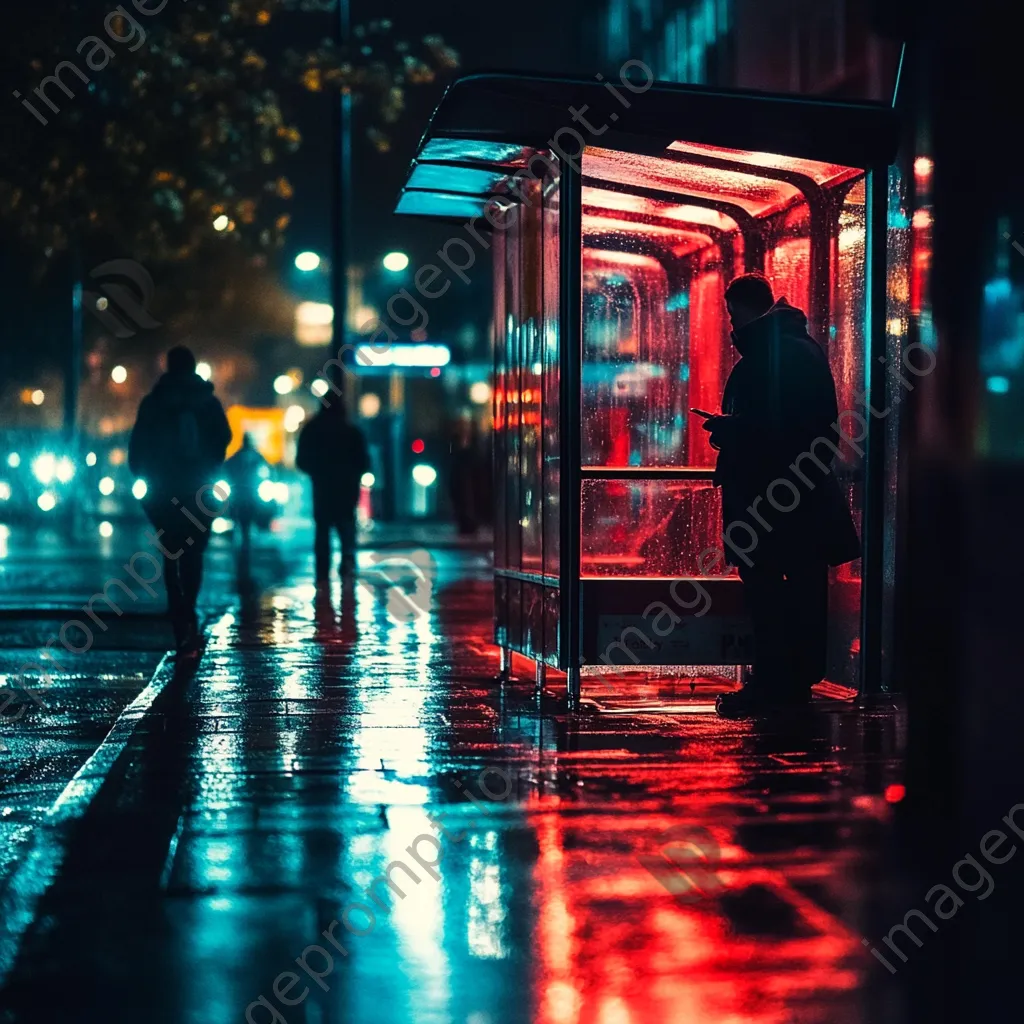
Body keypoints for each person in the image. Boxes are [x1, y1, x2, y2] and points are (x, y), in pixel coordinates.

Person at [703, 274, 860, 717]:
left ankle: (775, 684)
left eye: (733, 313)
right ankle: (791, 681)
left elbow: (778, 428)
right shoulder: (794, 349)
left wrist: (731, 430)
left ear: (745, 308)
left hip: (771, 501)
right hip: (791, 499)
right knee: (797, 589)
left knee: (769, 593)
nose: (730, 322)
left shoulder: (776, 354)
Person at [129, 346, 232, 656]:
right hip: (198, 486)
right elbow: (223, 437)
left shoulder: (154, 402)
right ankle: (189, 606)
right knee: (195, 549)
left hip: (163, 486)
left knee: (170, 547)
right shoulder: (207, 402)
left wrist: (143, 472)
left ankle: (178, 608)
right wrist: (209, 465)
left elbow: (139, 444)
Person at [296, 395, 370, 581]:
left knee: (322, 532)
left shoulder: (312, 430)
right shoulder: (351, 431)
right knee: (346, 530)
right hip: (346, 490)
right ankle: (347, 565)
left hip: (322, 490)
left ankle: (322, 572)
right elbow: (364, 462)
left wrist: (318, 471)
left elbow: (301, 461)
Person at [224, 433, 269, 554]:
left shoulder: (237, 457)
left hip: (240, 496)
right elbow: (266, 471)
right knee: (246, 523)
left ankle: (241, 545)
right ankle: (245, 545)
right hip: (249, 496)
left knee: (240, 521)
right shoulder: (256, 457)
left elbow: (227, 469)